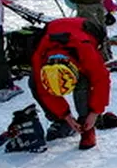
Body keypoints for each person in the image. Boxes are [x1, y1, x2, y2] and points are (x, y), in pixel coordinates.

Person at [30, 17, 110, 150]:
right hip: (53, 31)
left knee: (83, 83)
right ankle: (61, 121)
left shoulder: (86, 51)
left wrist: (95, 112)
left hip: (87, 30)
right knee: (34, 83)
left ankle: (87, 127)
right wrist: (66, 116)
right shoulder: (39, 56)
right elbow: (43, 91)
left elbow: (101, 80)